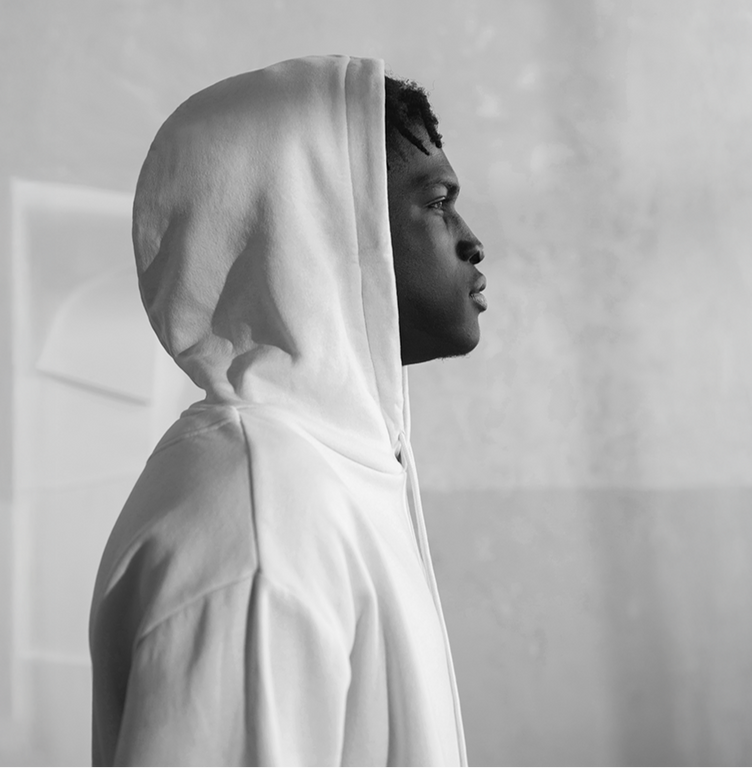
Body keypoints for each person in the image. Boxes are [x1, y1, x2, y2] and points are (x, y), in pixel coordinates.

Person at [89, 55, 486, 768]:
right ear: (323, 229)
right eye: (436, 202)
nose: (471, 240)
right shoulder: (263, 521)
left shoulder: (328, 470)